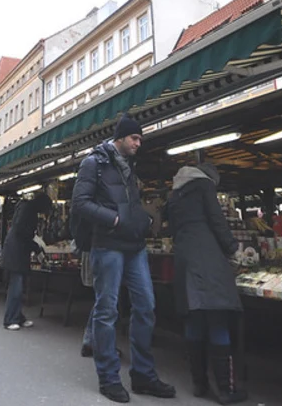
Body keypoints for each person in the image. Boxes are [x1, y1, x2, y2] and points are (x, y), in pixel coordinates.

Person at [71, 114, 175, 403]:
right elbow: (80, 203)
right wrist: (115, 220)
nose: (139, 143)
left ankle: (142, 375)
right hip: (108, 245)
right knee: (107, 311)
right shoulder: (94, 163)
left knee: (146, 306)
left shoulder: (130, 165)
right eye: (135, 138)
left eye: (140, 139)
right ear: (120, 138)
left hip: (134, 245)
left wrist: (140, 219)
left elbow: (130, 203)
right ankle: (109, 378)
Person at [166, 163, 246, 403]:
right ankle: (226, 390)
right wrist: (233, 249)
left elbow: (171, 229)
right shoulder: (204, 186)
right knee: (217, 319)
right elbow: (216, 220)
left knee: (194, 320)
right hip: (208, 258)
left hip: (184, 258)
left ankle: (199, 384)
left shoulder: (175, 195)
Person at [1, 192, 52, 330]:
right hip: (16, 252)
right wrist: (36, 247)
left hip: (16, 251)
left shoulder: (26, 208)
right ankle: (10, 319)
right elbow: (22, 232)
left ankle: (18, 316)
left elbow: (21, 232)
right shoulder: (28, 210)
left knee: (18, 287)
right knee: (16, 288)